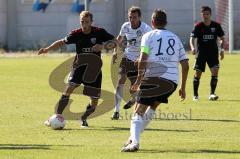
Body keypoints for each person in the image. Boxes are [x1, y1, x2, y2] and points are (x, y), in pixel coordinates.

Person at [121, 9, 189, 152]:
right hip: (172, 82)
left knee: (137, 111)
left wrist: (138, 81)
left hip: (154, 78)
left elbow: (143, 59)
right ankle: (132, 138)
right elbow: (185, 64)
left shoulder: (148, 36)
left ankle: (134, 143)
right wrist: (182, 87)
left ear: (152, 22)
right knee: (152, 106)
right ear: (165, 22)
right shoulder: (175, 38)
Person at [38, 11, 115, 127]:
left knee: (94, 102)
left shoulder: (99, 32)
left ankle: (84, 118)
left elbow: (116, 42)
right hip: (78, 68)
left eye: (87, 22)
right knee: (68, 89)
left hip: (94, 71)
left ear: (91, 22)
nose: (84, 24)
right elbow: (61, 42)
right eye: (82, 22)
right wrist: (47, 49)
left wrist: (103, 46)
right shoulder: (76, 34)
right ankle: (56, 117)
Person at [111, 6, 152, 120]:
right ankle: (116, 111)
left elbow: (150, 45)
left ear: (139, 17)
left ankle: (134, 99)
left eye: (134, 17)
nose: (132, 19)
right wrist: (115, 51)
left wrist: (142, 57)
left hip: (140, 60)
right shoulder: (125, 26)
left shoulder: (146, 29)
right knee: (120, 81)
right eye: (130, 17)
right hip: (127, 56)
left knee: (134, 88)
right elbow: (119, 38)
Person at [190, 6, 225, 101]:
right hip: (201, 54)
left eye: (207, 14)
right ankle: (195, 95)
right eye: (204, 14)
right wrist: (193, 47)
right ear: (201, 15)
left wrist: (222, 50)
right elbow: (192, 38)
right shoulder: (198, 26)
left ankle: (212, 94)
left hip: (213, 54)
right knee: (198, 74)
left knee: (215, 72)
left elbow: (222, 38)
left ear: (210, 14)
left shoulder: (216, 25)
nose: (205, 16)